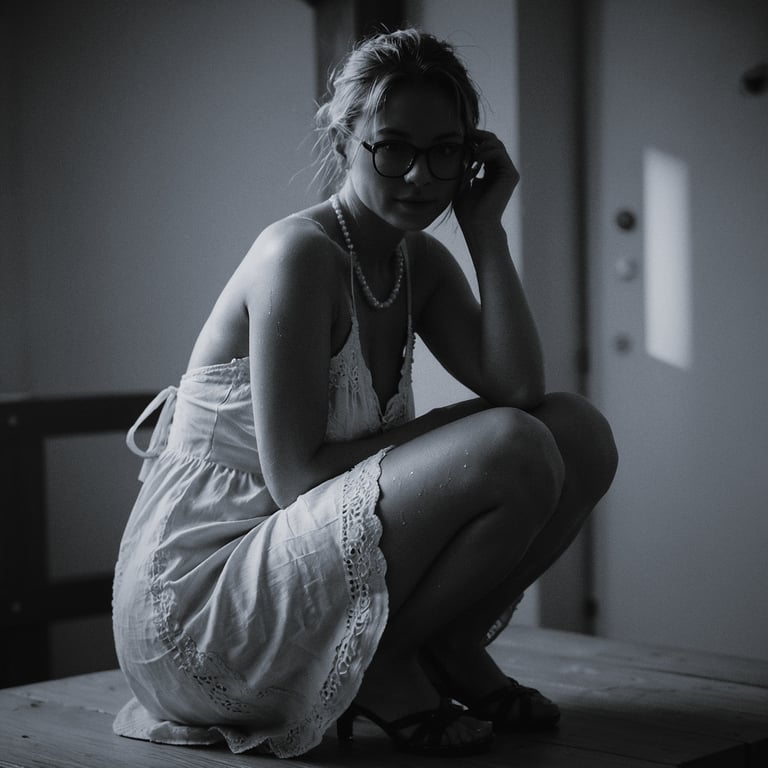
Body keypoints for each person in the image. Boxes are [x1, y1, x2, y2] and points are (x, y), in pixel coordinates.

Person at [112, 28, 618, 759]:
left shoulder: (422, 262)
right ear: (344, 136)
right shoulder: (299, 255)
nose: (421, 177)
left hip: (300, 565)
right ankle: (385, 666)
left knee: (576, 430)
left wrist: (485, 231)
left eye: (446, 150)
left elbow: (521, 388)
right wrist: (450, 426)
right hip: (206, 603)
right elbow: (298, 479)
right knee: (513, 445)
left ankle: (443, 647)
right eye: (394, 148)